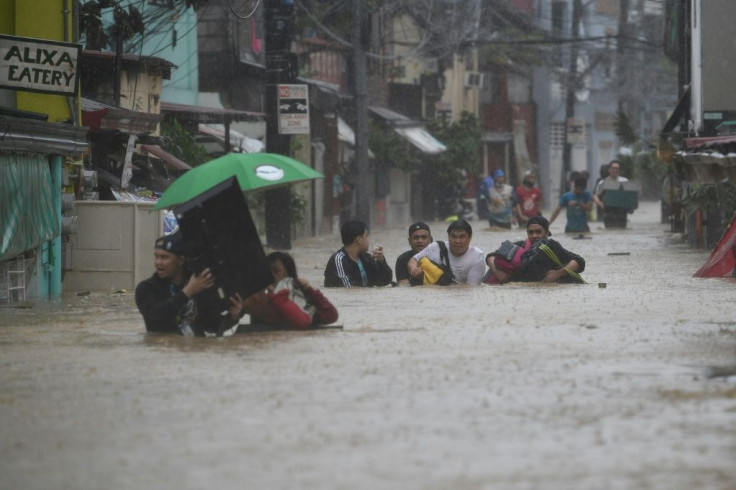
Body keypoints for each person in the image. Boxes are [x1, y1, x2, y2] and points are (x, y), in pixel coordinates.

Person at [135, 231, 244, 336]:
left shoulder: (199, 285)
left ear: (181, 260)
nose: (158, 262)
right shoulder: (146, 288)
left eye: (164, 257)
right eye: (156, 256)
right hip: (164, 350)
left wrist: (232, 317)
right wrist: (187, 292)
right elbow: (155, 316)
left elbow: (211, 325)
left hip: (194, 351)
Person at [244, 252, 338, 329]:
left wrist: (310, 291)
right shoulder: (257, 296)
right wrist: (234, 316)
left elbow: (330, 316)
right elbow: (233, 317)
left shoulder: (300, 294)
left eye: (276, 271)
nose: (271, 275)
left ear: (288, 274)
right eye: (268, 272)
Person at [485, 216, 585, 284]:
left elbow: (579, 261)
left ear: (547, 233)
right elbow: (491, 256)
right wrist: (497, 272)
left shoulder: (552, 247)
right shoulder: (519, 247)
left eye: (538, 232)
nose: (534, 236)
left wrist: (557, 274)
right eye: (531, 232)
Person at [407, 219, 486, 285]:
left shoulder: (477, 257)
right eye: (453, 236)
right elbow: (413, 260)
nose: (457, 241)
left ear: (470, 237)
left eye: (462, 237)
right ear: (448, 237)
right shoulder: (436, 247)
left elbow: (471, 289)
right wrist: (414, 270)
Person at [324, 220, 393, 287]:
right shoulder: (339, 260)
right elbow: (348, 288)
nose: (368, 240)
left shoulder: (367, 257)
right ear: (359, 239)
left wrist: (381, 261)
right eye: (366, 237)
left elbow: (385, 281)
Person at [593, 160, 630, 228]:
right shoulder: (603, 182)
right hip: (608, 213)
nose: (615, 170)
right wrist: (601, 205)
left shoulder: (625, 181)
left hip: (622, 213)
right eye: (613, 168)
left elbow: (630, 196)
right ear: (609, 170)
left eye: (617, 168)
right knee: (609, 230)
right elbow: (596, 196)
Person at [395, 222, 433, 286]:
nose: (420, 241)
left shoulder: (440, 256)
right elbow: (403, 285)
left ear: (430, 239)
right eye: (416, 238)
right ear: (409, 241)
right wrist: (417, 279)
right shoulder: (402, 259)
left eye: (424, 237)